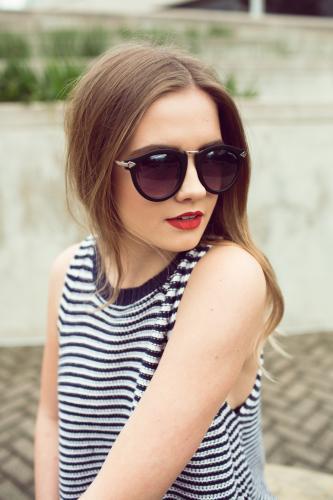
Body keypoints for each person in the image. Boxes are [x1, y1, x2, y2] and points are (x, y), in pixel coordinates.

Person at [34, 40, 284, 500]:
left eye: (214, 160)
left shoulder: (227, 277)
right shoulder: (67, 274)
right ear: (98, 166)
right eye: (159, 165)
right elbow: (52, 420)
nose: (194, 189)